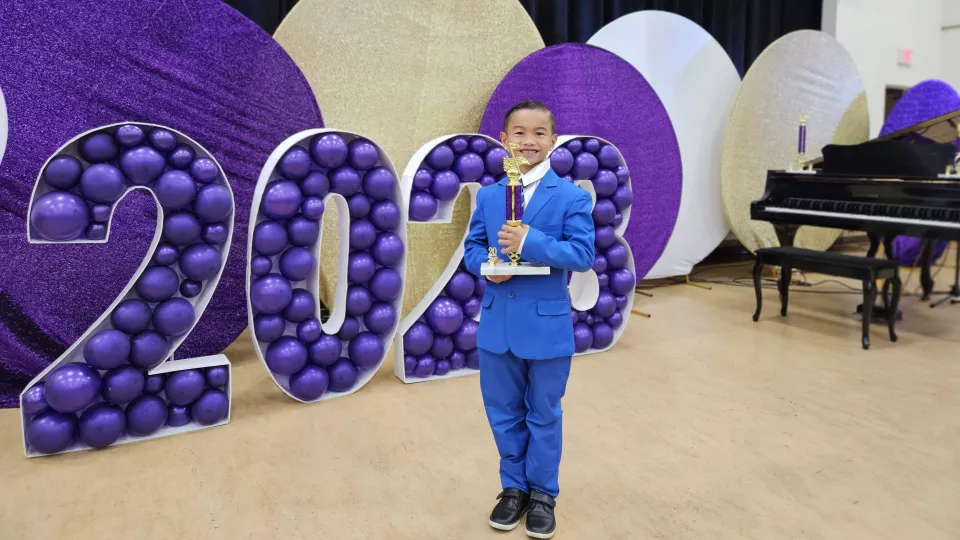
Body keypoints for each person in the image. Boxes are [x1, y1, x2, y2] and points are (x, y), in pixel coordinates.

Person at [463, 100, 596, 539]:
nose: (529, 141)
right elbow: (472, 248)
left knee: (543, 413)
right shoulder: (488, 195)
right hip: (497, 324)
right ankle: (512, 489)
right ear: (504, 141)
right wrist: (487, 266)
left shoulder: (572, 196)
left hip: (547, 326)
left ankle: (542, 494)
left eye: (539, 133)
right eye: (519, 132)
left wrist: (531, 240)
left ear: (553, 142)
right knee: (502, 412)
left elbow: (581, 255)